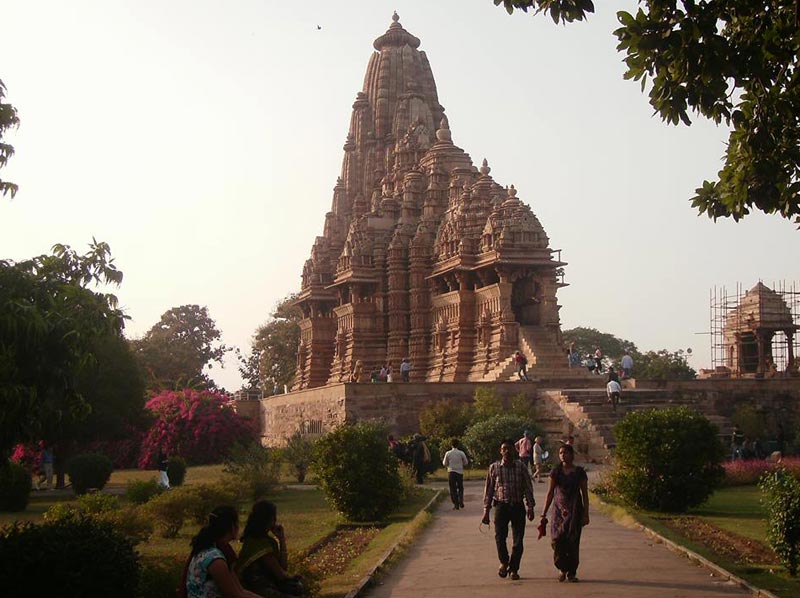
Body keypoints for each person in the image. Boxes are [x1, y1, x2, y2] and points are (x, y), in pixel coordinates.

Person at [481, 439, 536, 581]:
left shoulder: (521, 467)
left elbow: (528, 488)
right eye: (504, 448)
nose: (507, 451)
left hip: (517, 506)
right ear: (500, 451)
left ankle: (514, 568)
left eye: (509, 448)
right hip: (501, 506)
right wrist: (486, 511)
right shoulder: (494, 468)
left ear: (515, 450)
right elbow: (489, 490)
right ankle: (504, 562)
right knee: (500, 537)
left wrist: (530, 506)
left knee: (518, 540)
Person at [184, 506, 262, 598]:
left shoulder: (211, 550)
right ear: (232, 526)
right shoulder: (215, 559)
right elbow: (236, 595)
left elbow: (240, 590)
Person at [540, 444, 589, 583]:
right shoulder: (556, 472)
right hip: (559, 512)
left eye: (565, 452)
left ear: (571, 455)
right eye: (560, 453)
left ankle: (571, 572)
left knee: (573, 541)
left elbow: (585, 495)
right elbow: (550, 493)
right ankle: (562, 568)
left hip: (575, 511)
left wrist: (586, 514)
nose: (563, 455)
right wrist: (543, 513)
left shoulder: (579, 472)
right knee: (557, 540)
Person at [236, 500, 305, 597]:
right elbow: (280, 575)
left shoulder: (266, 541)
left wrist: (281, 539)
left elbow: (283, 567)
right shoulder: (257, 542)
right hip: (256, 590)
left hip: (267, 586)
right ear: (270, 519)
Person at [442, 438, 469, 510]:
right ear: (458, 445)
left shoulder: (448, 453)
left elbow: (444, 463)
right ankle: (461, 501)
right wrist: (461, 464)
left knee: (452, 488)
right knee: (460, 487)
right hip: (459, 472)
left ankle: (456, 503)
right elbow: (466, 462)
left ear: (451, 445)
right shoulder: (461, 453)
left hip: (451, 472)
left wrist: (449, 464)